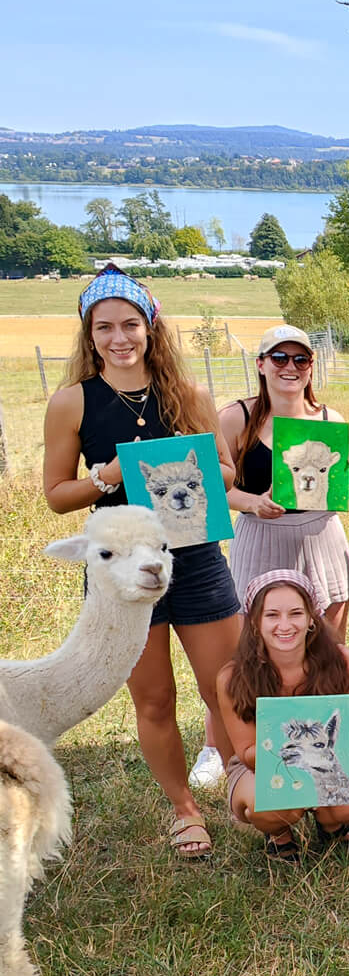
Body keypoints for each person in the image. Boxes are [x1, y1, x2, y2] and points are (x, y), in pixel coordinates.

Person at [41, 264, 243, 859]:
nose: (119, 338)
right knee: (153, 699)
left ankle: (244, 784)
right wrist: (105, 478)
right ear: (89, 334)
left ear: (151, 326)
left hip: (197, 558)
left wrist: (198, 462)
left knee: (226, 688)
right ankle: (184, 809)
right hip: (120, 574)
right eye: (104, 328)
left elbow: (227, 473)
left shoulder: (190, 396)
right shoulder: (71, 402)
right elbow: (56, 495)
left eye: (130, 324)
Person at [216, 570, 349, 860]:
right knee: (270, 809)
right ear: (254, 622)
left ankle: (331, 823)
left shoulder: (344, 661)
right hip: (260, 764)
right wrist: (294, 757)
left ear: (312, 618)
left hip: (333, 756)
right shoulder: (232, 677)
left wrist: (315, 764)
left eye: (296, 613)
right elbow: (247, 752)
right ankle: (279, 832)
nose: (285, 625)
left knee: (348, 804)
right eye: (272, 615)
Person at [219, 325, 349, 640]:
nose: (290, 367)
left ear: (311, 365)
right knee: (258, 650)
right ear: (261, 364)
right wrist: (252, 503)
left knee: (329, 650)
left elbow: (338, 493)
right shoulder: (235, 418)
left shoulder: (330, 420)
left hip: (321, 539)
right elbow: (211, 486)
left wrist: (348, 481)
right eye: (279, 358)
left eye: (301, 360)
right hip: (261, 541)